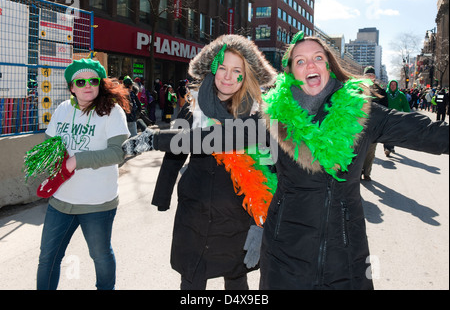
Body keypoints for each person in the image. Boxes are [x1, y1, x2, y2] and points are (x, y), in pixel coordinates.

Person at [123, 32, 448, 290]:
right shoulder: (273, 119)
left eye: (317, 57)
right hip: (285, 260)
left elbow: (427, 133)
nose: (310, 65)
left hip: (345, 258)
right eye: (300, 60)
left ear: (329, 66)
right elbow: (211, 139)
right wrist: (152, 138)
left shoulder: (364, 115)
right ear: (291, 73)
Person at [149, 34, 277, 290]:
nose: (228, 77)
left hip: (237, 216)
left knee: (237, 278)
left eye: (236, 70)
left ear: (247, 75)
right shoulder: (192, 108)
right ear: (212, 69)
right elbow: (175, 152)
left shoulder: (259, 116)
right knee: (192, 278)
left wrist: (261, 223)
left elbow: (270, 170)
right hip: (195, 212)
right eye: (222, 68)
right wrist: (162, 196)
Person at [36, 58, 130, 290]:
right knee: (48, 258)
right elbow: (50, 143)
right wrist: (50, 159)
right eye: (80, 81)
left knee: (100, 256)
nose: (87, 85)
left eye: (93, 80)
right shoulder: (63, 109)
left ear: (99, 84)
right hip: (61, 201)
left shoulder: (112, 112)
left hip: (97, 203)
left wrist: (77, 160)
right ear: (72, 87)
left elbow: (117, 153)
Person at [361, 66, 388, 181]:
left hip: (374, 126)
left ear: (374, 77)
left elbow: (385, 108)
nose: (369, 77)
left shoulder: (380, 91)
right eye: (367, 75)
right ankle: (357, 172)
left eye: (371, 75)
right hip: (360, 126)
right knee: (359, 151)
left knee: (371, 151)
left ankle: (367, 172)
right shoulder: (358, 89)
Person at [383, 80, 410, 157]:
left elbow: (405, 106)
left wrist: (407, 115)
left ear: (397, 86)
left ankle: (391, 147)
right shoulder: (385, 94)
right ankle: (386, 148)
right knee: (386, 133)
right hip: (386, 117)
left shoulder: (401, 95)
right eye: (391, 84)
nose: (393, 86)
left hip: (396, 117)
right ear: (389, 85)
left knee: (394, 133)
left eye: (394, 85)